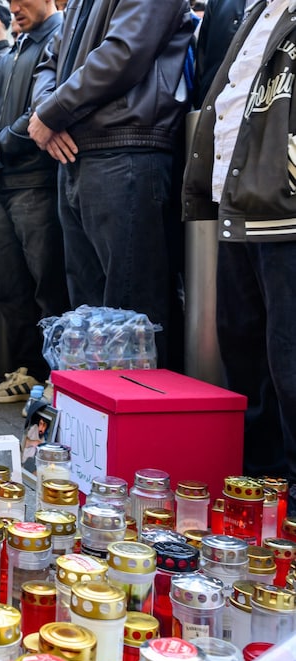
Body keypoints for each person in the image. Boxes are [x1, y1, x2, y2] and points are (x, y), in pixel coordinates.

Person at [29, 0, 195, 369]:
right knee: (88, 312)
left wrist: (52, 113)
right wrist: (48, 114)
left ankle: (142, 422)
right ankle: (100, 419)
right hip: (79, 152)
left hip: (127, 147)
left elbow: (124, 52)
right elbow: (48, 63)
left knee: (132, 313)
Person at [183, 0, 296, 513]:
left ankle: (290, 494)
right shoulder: (255, 10)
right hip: (240, 203)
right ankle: (262, 484)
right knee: (243, 347)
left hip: (284, 205)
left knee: (288, 360)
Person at [0, 0, 66, 404]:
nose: (15, 7)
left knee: (48, 286)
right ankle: (26, 373)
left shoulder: (59, 38)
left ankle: (55, 377)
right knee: (11, 287)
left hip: (39, 181)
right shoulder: (12, 50)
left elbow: (39, 113)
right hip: (2, 183)